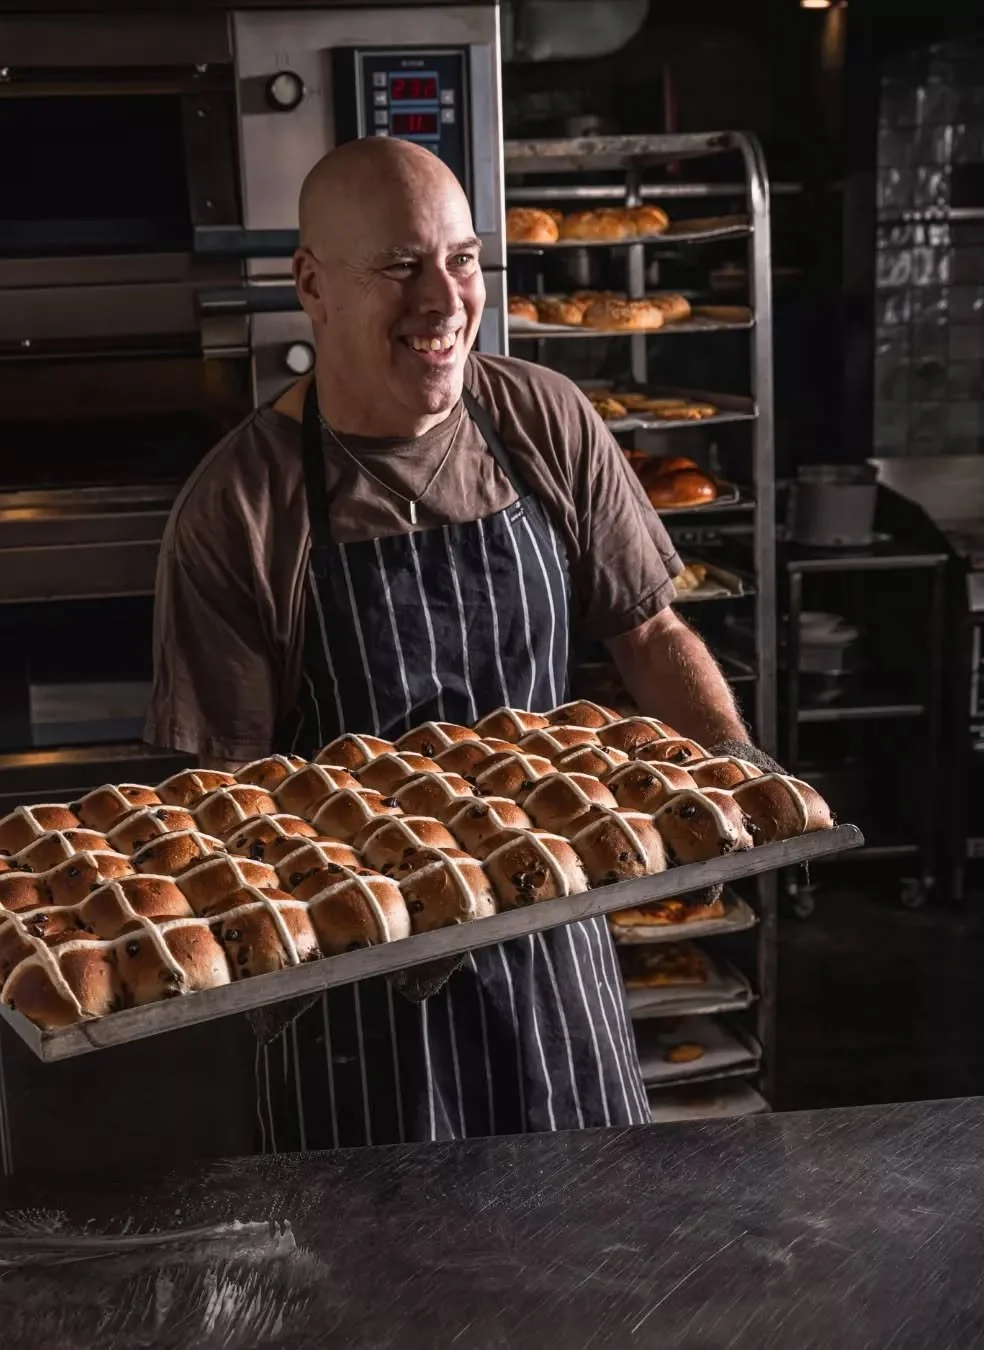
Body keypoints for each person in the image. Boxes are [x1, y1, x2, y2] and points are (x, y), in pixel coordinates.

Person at [146, 136, 767, 1152]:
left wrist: (736, 776)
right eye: (398, 267)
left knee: (591, 1263)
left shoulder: (545, 421)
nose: (443, 302)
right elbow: (229, 800)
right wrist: (371, 921)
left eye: (463, 258)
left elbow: (650, 633)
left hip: (553, 943)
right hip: (358, 995)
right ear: (312, 285)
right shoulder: (240, 507)